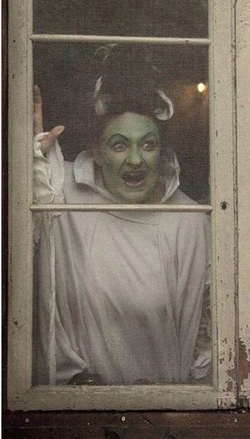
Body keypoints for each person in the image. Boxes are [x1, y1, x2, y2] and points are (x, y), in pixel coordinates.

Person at [32, 50, 211, 385]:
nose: (135, 160)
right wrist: (25, 147)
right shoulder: (62, 193)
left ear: (162, 150)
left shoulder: (189, 220)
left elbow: (206, 342)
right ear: (98, 153)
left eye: (148, 145)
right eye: (119, 145)